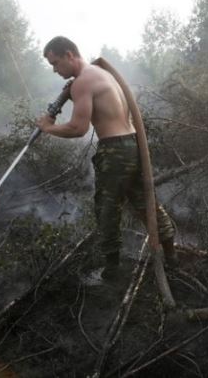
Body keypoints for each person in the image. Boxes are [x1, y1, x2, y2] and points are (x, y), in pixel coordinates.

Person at [36, 36, 176, 280]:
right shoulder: (101, 74)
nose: (55, 70)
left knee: (107, 209)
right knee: (146, 203)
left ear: (70, 54)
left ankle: (112, 271)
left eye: (56, 63)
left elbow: (78, 128)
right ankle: (172, 258)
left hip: (115, 151)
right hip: (134, 143)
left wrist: (48, 128)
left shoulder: (83, 82)